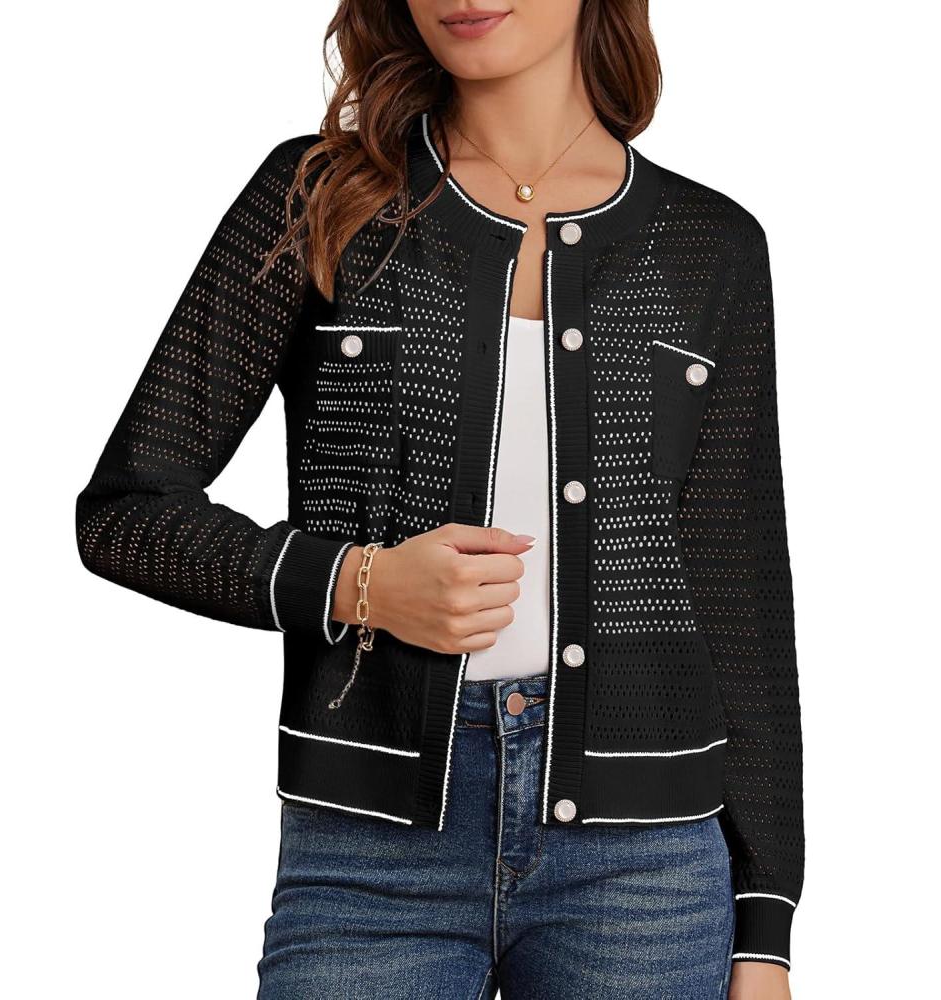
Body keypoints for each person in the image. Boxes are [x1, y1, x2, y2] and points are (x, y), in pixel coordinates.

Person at [75, 2, 803, 997]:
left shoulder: (708, 246)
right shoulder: (323, 198)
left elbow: (737, 592)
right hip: (368, 855)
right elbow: (126, 512)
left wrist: (764, 924)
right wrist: (359, 584)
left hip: (646, 868)